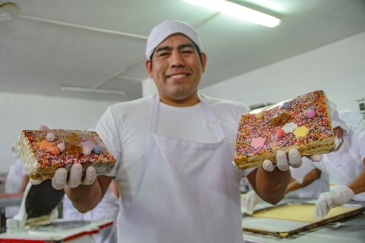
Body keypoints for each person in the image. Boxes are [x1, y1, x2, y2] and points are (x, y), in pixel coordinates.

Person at [33, 20, 308, 243]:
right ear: (150, 68)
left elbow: (271, 195)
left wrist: (277, 166)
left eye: (186, 51)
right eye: (164, 53)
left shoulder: (237, 114)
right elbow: (87, 203)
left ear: (202, 61)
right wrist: (75, 182)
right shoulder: (120, 117)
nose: (176, 60)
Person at [242, 161, 330, 214]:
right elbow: (294, 176)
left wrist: (285, 190)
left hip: (315, 196)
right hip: (296, 200)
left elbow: (313, 175)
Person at [4, 145, 29, 218]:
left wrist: (21, 193)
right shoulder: (15, 164)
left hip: (18, 202)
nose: (13, 151)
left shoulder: (22, 161)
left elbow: (26, 177)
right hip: (12, 202)